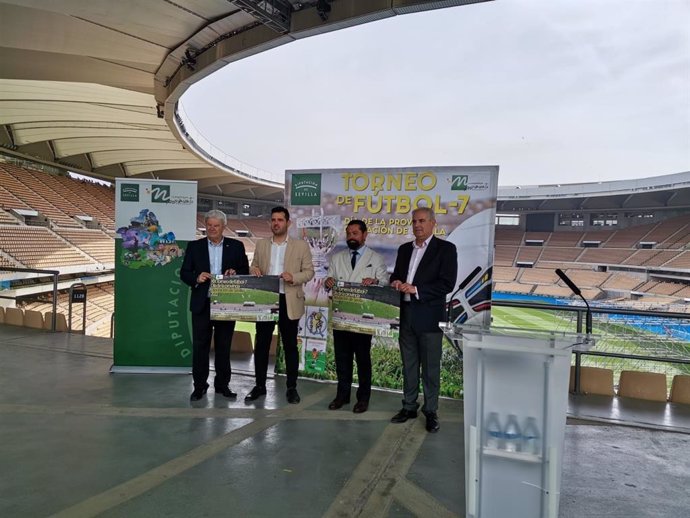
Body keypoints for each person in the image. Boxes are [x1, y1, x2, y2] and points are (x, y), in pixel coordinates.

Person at [389, 207, 457, 433]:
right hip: (406, 314)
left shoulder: (446, 249)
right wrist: (396, 283)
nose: (417, 225)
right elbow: (395, 275)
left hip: (429, 318)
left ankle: (430, 411)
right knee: (408, 365)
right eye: (414, 221)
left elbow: (447, 284)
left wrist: (417, 289)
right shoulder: (404, 249)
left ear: (432, 224)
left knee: (430, 368)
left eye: (421, 221)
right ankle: (409, 406)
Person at [245, 206, 314, 404]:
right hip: (266, 300)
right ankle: (259, 386)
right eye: (273, 220)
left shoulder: (300, 246)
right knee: (262, 345)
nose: (276, 223)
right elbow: (254, 265)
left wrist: (293, 277)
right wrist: (254, 269)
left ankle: (291, 387)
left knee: (290, 346)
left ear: (288, 223)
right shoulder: (261, 244)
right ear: (270, 223)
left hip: (289, 300)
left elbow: (309, 272)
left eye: (280, 220)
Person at [180, 209, 250, 402]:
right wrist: (196, 277)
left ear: (223, 227)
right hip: (202, 304)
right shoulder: (195, 247)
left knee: (223, 347)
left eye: (216, 225)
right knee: (200, 347)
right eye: (209, 225)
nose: (212, 229)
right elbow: (184, 272)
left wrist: (235, 272)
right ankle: (199, 386)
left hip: (227, 303)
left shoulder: (236, 246)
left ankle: (222, 385)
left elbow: (245, 269)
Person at [324, 219, 389, 413]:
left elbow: (385, 282)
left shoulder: (375, 258)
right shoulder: (337, 258)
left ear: (364, 235)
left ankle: (363, 399)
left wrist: (375, 280)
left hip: (363, 318)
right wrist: (328, 282)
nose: (351, 237)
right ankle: (342, 396)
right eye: (349, 233)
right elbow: (330, 278)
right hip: (342, 316)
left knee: (362, 359)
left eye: (355, 233)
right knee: (342, 359)